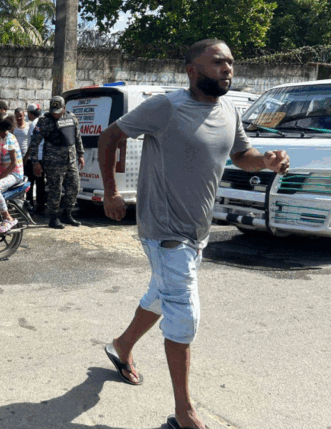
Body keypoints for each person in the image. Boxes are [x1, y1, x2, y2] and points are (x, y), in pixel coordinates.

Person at [97, 39, 290, 429]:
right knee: (184, 315)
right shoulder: (166, 106)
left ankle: (122, 346)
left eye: (231, 62)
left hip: (197, 230)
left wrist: (266, 161)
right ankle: (184, 414)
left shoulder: (229, 110)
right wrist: (111, 192)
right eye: (218, 61)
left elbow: (241, 155)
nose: (228, 68)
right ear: (192, 70)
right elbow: (110, 136)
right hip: (164, 229)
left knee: (159, 295)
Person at [28, 95, 85, 229]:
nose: (56, 115)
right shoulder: (44, 121)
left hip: (70, 161)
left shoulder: (72, 118)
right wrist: (35, 162)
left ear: (64, 108)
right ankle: (53, 218)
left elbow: (77, 137)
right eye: (53, 112)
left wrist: (81, 154)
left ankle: (67, 214)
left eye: (58, 112)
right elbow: (34, 143)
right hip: (53, 162)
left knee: (74, 187)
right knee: (55, 191)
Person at [0, 113, 24, 234]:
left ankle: (7, 217)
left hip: (15, 174)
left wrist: (0, 176)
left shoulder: (9, 139)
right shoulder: (2, 138)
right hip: (7, 172)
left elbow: (14, 164)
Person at [25, 103, 46, 214]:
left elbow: (33, 143)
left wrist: (27, 157)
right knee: (41, 183)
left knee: (30, 183)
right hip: (42, 157)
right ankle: (41, 206)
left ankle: (30, 207)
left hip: (34, 158)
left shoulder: (34, 123)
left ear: (30, 113)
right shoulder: (44, 121)